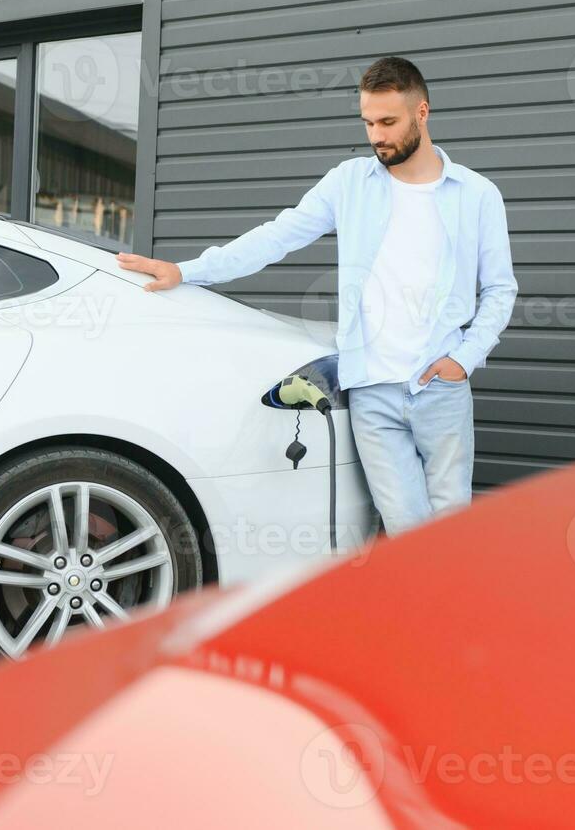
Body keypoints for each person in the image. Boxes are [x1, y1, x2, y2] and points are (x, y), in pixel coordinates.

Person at [116, 57, 517, 534]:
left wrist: (464, 358)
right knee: (407, 531)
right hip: (371, 391)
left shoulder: (476, 194)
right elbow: (275, 237)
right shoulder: (349, 183)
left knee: (452, 529)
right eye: (368, 122)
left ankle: (456, 612)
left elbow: (499, 288)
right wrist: (188, 271)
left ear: (422, 113)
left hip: (443, 388)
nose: (376, 135)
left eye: (388, 122)